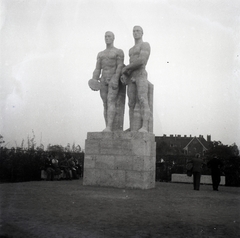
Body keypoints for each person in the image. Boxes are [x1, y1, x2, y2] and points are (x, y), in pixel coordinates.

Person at [90, 31, 124, 132]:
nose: (107, 38)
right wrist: (94, 80)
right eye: (105, 36)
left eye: (109, 36)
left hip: (113, 78)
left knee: (110, 101)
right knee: (105, 103)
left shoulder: (118, 51)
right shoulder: (101, 54)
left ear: (113, 38)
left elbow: (119, 66)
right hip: (103, 79)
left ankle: (109, 126)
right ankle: (107, 126)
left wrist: (115, 78)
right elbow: (97, 69)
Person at [121, 26, 151, 132]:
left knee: (143, 99)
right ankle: (133, 126)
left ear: (142, 33)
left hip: (141, 74)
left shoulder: (145, 45)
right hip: (132, 76)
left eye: (138, 30)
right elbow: (131, 65)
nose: (135, 32)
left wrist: (126, 68)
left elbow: (141, 61)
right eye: (133, 31)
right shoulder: (131, 50)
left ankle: (145, 126)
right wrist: (125, 73)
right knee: (131, 103)